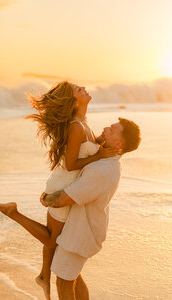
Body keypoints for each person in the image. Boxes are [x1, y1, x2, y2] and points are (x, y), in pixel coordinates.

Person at [0, 81, 118, 300]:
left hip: (70, 186)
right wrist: (99, 156)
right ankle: (13, 212)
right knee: (52, 240)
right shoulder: (76, 126)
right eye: (78, 89)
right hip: (63, 186)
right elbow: (70, 165)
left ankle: (44, 276)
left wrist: (102, 143)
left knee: (60, 245)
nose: (84, 88)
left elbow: (84, 152)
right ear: (73, 101)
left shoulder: (84, 122)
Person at [40, 117, 141, 300]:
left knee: (64, 283)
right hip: (84, 231)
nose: (105, 128)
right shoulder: (107, 163)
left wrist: (46, 198)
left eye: (111, 129)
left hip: (80, 235)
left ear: (118, 143)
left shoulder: (103, 170)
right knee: (74, 279)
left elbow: (65, 198)